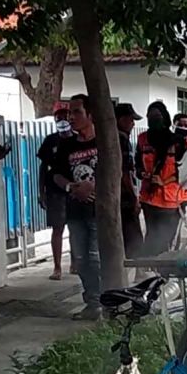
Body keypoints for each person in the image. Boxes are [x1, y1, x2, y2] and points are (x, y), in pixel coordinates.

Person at [52, 94, 102, 321]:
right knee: (80, 260)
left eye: (76, 112)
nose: (70, 117)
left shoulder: (106, 141)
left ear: (91, 115)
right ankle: (91, 302)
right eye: (69, 113)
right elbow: (56, 175)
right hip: (75, 212)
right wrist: (72, 187)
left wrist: (94, 186)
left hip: (100, 213)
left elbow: (119, 172)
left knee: (97, 259)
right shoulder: (67, 146)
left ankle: (104, 302)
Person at [137, 102, 187, 256]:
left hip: (170, 200)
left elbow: (186, 170)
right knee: (152, 237)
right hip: (149, 198)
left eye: (157, 116)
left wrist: (164, 182)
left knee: (167, 239)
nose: (154, 120)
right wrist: (143, 174)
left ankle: (165, 272)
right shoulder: (142, 139)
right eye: (150, 116)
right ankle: (153, 271)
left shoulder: (178, 141)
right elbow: (137, 164)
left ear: (165, 118)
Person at [37, 107, 74, 280]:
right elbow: (43, 168)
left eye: (65, 117)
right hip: (55, 191)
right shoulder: (50, 141)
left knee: (77, 228)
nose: (62, 120)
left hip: (75, 189)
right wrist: (41, 191)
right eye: (58, 117)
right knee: (58, 228)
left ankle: (76, 263)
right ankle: (57, 267)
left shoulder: (77, 139)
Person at [116, 103, 144, 259]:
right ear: (120, 120)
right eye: (130, 119)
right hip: (125, 196)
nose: (133, 124)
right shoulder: (121, 140)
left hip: (119, 196)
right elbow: (124, 172)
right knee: (133, 237)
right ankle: (135, 269)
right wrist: (134, 199)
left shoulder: (112, 138)